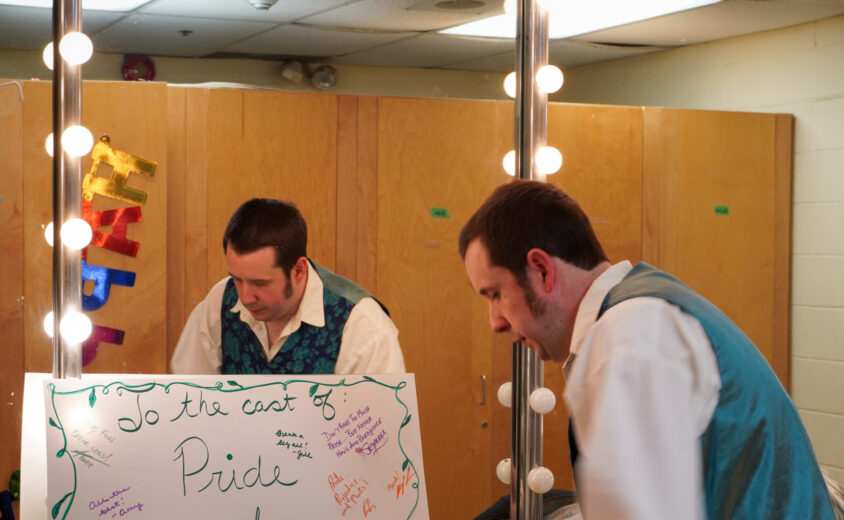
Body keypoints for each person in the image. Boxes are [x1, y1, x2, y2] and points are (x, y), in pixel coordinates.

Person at [459, 179, 835, 520]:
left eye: (496, 295)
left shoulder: (626, 340)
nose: (495, 322)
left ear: (542, 270)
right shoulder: (643, 308)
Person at [171, 198, 405, 375]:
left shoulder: (362, 325)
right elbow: (189, 392)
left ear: (298, 270)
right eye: (237, 279)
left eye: (260, 283)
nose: (245, 297)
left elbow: (375, 423)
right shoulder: (221, 299)